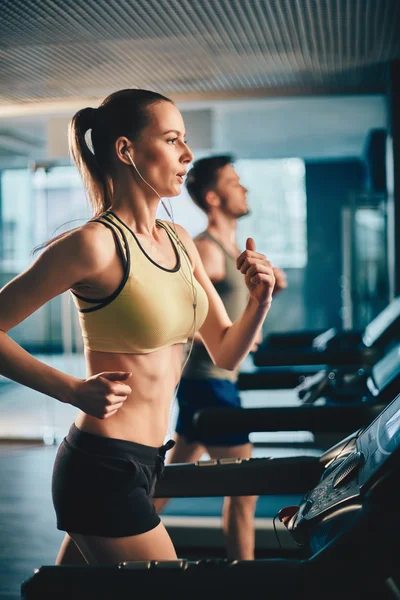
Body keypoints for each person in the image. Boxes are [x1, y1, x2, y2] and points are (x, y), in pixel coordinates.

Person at [0, 89, 276, 566]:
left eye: (184, 140)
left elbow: (226, 351)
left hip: (150, 461)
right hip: (102, 464)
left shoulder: (179, 239)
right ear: (126, 150)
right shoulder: (93, 245)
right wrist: (71, 390)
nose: (186, 154)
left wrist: (259, 300)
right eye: (172, 140)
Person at [153, 156, 287, 560]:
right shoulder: (207, 252)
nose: (243, 188)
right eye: (233, 182)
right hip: (208, 381)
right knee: (245, 490)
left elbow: (260, 292)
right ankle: (244, 579)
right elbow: (183, 315)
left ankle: (119, 525)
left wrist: (264, 292)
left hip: (212, 382)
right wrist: (229, 334)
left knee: (169, 485)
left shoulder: (231, 249)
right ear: (213, 197)